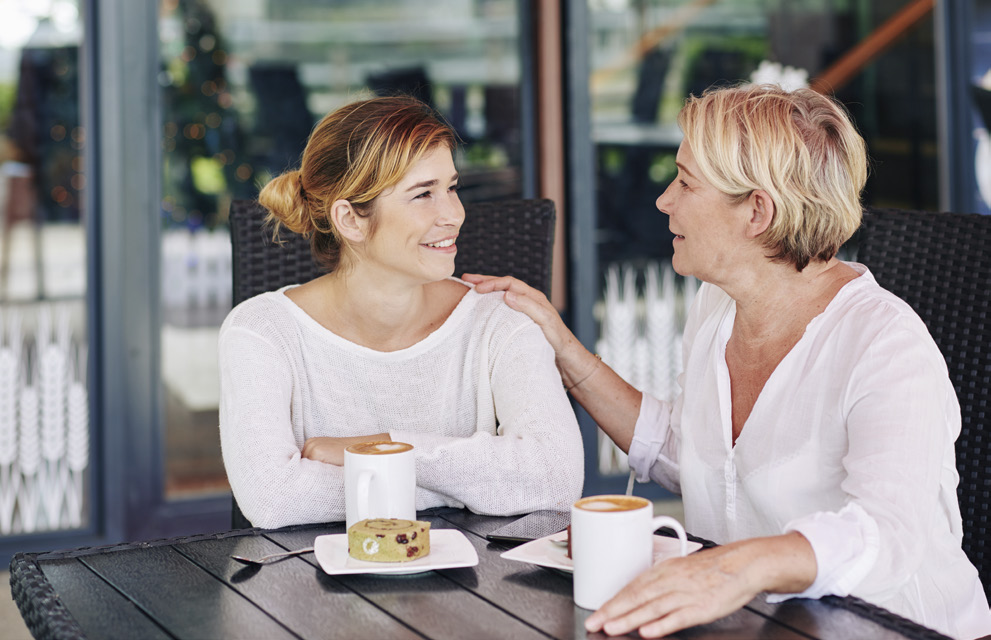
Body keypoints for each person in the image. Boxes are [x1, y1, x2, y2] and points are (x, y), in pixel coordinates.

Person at [465, 84, 991, 639]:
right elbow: (693, 454)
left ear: (757, 212)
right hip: (764, 624)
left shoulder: (885, 344)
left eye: (686, 182)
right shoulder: (719, 305)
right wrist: (562, 348)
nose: (664, 200)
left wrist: (732, 569)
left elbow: (888, 534)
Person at [218, 95, 583, 530]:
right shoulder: (261, 332)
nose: (454, 214)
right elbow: (274, 499)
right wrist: (467, 486)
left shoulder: (500, 320)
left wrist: (381, 448)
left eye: (451, 187)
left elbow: (556, 478)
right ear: (350, 220)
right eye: (423, 194)